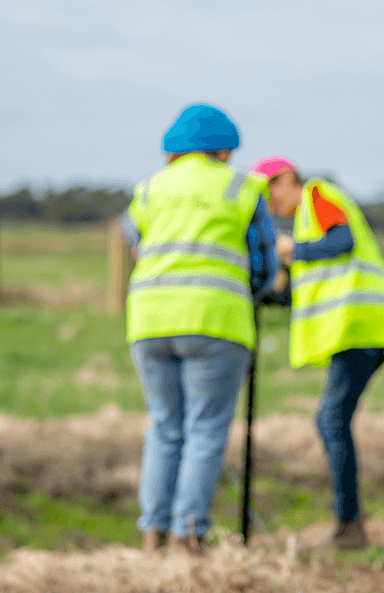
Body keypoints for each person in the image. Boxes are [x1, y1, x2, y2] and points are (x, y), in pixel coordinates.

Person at [121, 104, 280, 553]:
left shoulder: (150, 188)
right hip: (216, 321)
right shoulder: (241, 187)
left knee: (164, 426)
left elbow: (131, 237)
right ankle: (188, 536)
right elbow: (264, 265)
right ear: (225, 151)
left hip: (149, 320)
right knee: (206, 429)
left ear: (173, 152)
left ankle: (153, 532)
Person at [250, 156, 384, 550]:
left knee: (331, 420)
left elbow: (342, 241)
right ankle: (348, 524)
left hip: (360, 323)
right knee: (332, 420)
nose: (268, 205)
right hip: (353, 328)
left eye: (269, 193)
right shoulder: (305, 221)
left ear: (287, 179)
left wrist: (292, 251)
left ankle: (349, 526)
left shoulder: (317, 194)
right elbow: (310, 284)